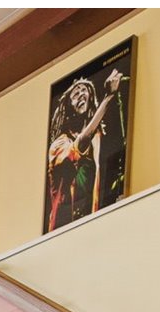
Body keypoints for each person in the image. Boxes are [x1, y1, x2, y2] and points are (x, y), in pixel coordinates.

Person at [46, 66, 128, 231]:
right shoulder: (58, 145)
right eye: (75, 94)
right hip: (64, 228)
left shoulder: (97, 137)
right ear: (68, 108)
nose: (81, 94)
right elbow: (80, 144)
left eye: (84, 90)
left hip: (90, 223)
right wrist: (108, 97)